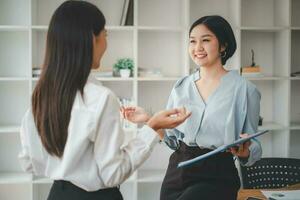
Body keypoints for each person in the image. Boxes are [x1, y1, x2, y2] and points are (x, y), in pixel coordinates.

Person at [18, 1, 191, 200]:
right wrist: (151, 128)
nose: (106, 44)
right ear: (92, 39)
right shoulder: (100, 98)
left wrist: (69, 165)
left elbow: (28, 162)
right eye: (105, 35)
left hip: (57, 194)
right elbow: (113, 174)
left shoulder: (41, 94)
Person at [122, 15, 262, 200]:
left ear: (223, 45)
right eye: (192, 41)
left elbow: (255, 146)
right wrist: (149, 119)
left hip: (217, 174)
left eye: (205, 40)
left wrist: (246, 151)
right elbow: (173, 141)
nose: (197, 48)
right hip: (177, 172)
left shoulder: (245, 90)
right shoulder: (181, 86)